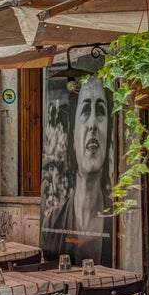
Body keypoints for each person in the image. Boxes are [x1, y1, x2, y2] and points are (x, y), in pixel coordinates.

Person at [40, 75, 113, 265]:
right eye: (86, 110)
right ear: (73, 137)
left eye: (100, 111)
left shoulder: (120, 222)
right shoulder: (53, 222)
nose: (93, 124)